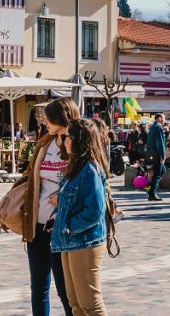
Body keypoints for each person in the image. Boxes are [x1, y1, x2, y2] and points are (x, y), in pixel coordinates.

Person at [9, 97, 78, 316]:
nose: (44, 122)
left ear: (62, 118)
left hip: (61, 228)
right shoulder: (45, 143)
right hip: (37, 224)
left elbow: (91, 182)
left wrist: (65, 195)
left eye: (48, 118)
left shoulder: (78, 145)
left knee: (65, 290)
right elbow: (32, 177)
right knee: (38, 288)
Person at [51, 118, 110, 315]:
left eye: (66, 136)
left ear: (78, 140)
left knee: (90, 305)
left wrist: (67, 225)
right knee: (75, 303)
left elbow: (94, 211)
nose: (63, 140)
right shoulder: (75, 167)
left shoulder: (90, 169)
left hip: (85, 241)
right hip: (70, 241)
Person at [145, 114, 167, 202]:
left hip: (152, 153)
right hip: (157, 153)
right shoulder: (158, 127)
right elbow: (160, 142)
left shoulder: (153, 126)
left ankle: (151, 190)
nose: (165, 120)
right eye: (164, 118)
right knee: (158, 172)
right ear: (160, 118)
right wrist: (162, 155)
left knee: (162, 170)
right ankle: (152, 193)